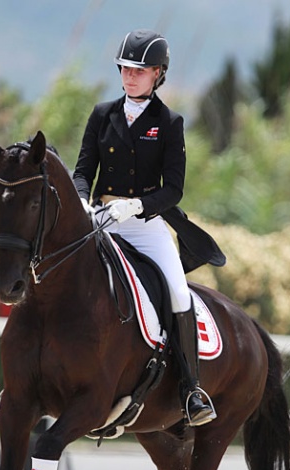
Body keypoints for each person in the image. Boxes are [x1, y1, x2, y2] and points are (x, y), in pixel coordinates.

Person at [73, 29, 222, 427]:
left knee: (177, 290)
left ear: (158, 73)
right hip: (102, 222)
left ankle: (191, 388)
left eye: (139, 71)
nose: (129, 77)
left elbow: (173, 188)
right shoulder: (102, 114)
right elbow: (83, 170)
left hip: (145, 225)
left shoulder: (169, 122)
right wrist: (86, 202)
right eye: (125, 69)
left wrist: (136, 205)